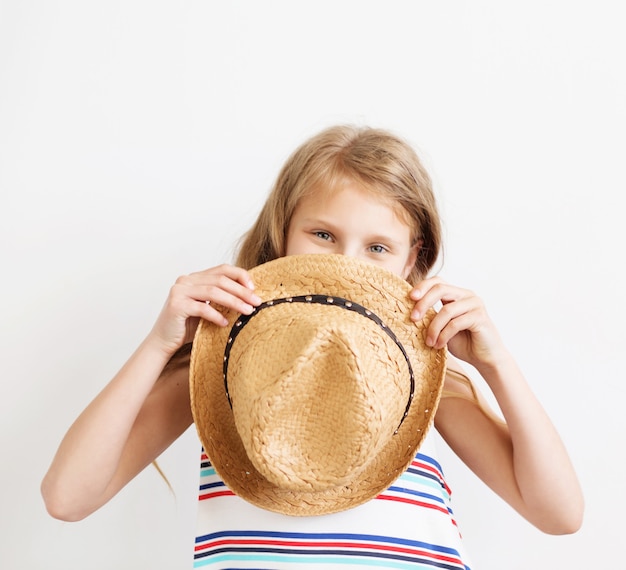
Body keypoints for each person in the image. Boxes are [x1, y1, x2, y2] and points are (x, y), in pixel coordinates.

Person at [41, 125, 584, 568]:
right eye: (322, 234)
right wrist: (161, 344)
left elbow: (559, 514)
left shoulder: (416, 380)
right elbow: (67, 498)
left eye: (377, 246)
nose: (343, 264)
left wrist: (498, 364)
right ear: (283, 231)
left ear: (411, 257)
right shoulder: (224, 369)